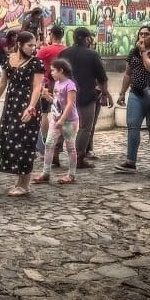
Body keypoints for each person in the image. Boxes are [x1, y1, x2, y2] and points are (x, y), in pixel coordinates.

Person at [0, 31, 45, 197]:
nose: (33, 48)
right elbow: (2, 83)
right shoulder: (9, 60)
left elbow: (37, 87)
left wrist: (31, 107)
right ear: (20, 44)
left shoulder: (36, 63)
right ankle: (19, 180)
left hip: (28, 106)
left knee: (25, 143)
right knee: (5, 138)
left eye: (34, 45)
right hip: (11, 105)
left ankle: (24, 184)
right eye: (29, 45)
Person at [115, 26, 150, 175]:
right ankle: (130, 162)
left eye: (147, 34)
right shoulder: (133, 52)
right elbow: (128, 74)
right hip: (136, 93)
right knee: (133, 126)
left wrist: (144, 53)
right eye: (141, 34)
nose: (143, 36)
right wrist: (122, 93)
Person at [59, 27, 110, 169]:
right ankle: (79, 157)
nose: (90, 41)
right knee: (85, 127)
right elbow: (102, 77)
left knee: (62, 124)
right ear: (84, 38)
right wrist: (105, 94)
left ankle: (55, 154)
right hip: (86, 95)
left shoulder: (63, 53)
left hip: (65, 95)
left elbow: (55, 73)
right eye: (89, 38)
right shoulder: (92, 55)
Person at [33, 59, 79, 185]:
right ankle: (45, 172)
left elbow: (70, 104)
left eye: (53, 70)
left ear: (61, 70)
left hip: (69, 121)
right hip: (56, 119)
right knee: (49, 144)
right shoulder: (57, 84)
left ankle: (71, 174)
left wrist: (62, 119)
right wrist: (49, 98)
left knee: (70, 147)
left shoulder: (70, 85)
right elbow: (57, 102)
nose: (51, 73)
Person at [36, 25, 67, 162]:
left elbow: (35, 65)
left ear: (51, 35)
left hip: (47, 85)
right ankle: (56, 147)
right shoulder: (66, 50)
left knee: (44, 114)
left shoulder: (45, 50)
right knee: (60, 115)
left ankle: (44, 148)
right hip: (63, 86)